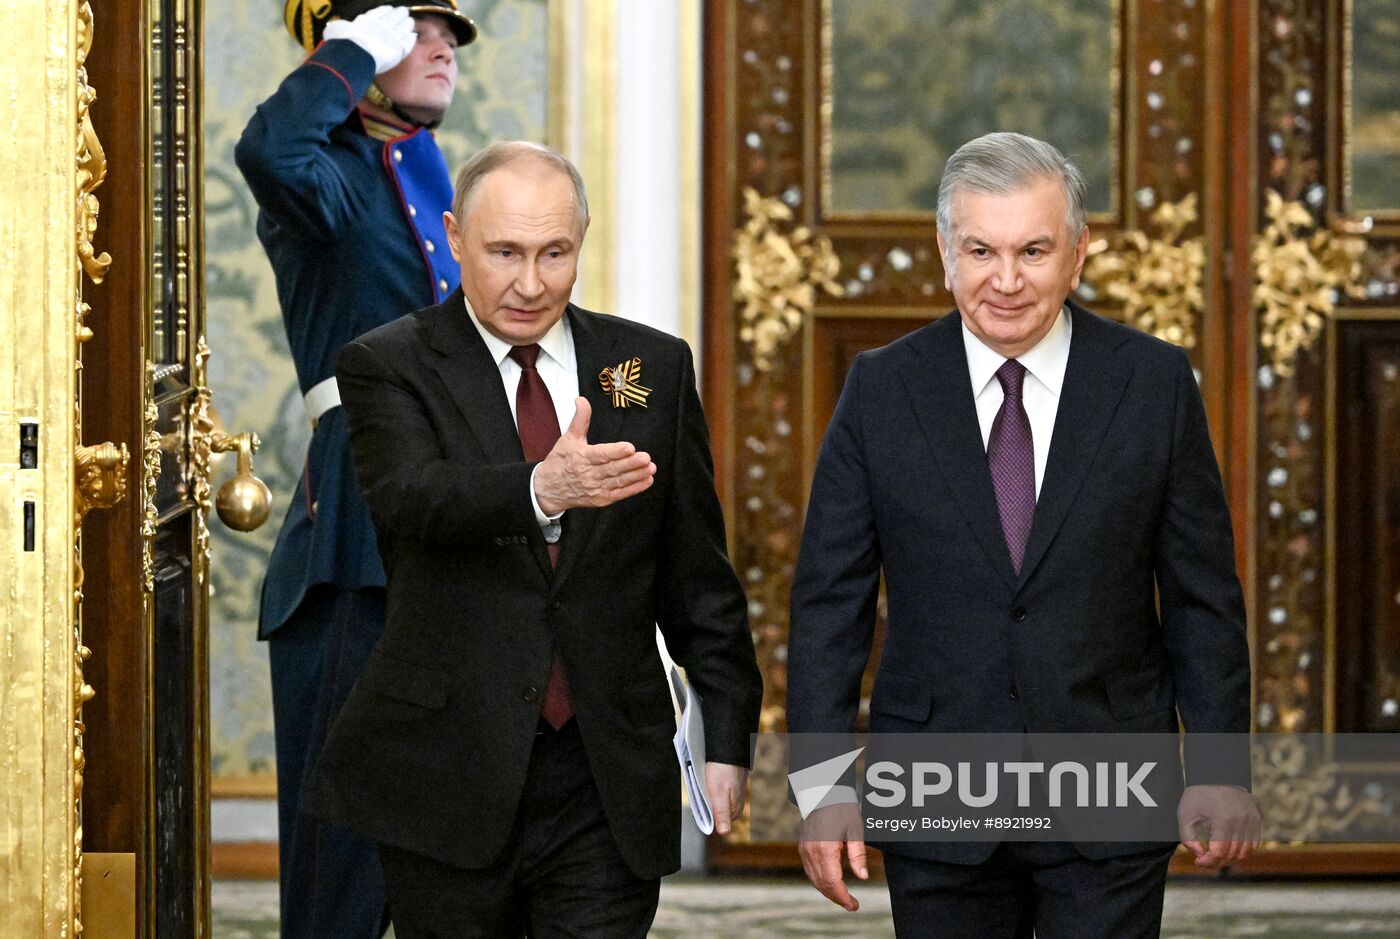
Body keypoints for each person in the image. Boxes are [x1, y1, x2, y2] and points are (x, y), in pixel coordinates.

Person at [786, 131, 1260, 938]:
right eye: (982, 250)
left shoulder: (1152, 383)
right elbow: (830, 605)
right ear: (946, 252)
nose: (1006, 280)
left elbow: (1202, 597)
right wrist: (822, 785)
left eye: (1033, 251)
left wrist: (1218, 763)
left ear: (1078, 254)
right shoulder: (882, 389)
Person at [305, 141, 764, 937]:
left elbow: (697, 576)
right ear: (454, 237)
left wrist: (727, 737)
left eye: (555, 253)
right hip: (446, 770)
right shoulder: (388, 363)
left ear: (582, 241)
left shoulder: (649, 366)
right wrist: (539, 489)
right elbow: (410, 498)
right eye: (505, 253)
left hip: (604, 772)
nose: (531, 282)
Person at [233, 1, 474, 934]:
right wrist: (349, 50)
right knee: (345, 844)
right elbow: (268, 149)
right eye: (416, 30)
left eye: (449, 35)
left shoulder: (428, 167)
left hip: (453, 514)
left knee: (447, 838)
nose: (443, 46)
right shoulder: (325, 172)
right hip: (357, 528)